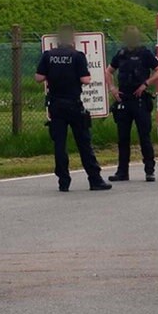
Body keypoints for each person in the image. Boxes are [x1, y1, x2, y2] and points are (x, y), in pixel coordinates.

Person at [35, 25, 112, 192]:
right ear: (71, 39)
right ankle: (94, 179)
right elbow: (85, 79)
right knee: (84, 143)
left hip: (55, 105)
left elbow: (38, 77)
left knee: (59, 145)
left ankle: (63, 181)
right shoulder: (77, 56)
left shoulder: (48, 55)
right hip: (74, 105)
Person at [105, 26, 158, 182]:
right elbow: (108, 71)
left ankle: (149, 170)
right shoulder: (121, 54)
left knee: (144, 136)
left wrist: (146, 83)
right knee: (123, 138)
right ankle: (122, 171)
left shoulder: (145, 53)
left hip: (140, 100)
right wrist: (112, 88)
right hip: (124, 100)